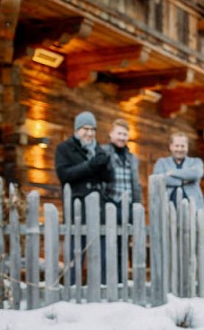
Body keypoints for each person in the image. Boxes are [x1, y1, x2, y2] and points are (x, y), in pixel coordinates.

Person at [54, 111, 114, 283]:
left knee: (100, 254)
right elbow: (64, 174)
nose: (89, 133)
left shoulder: (98, 149)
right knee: (75, 254)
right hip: (77, 209)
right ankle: (72, 289)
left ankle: (102, 289)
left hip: (99, 209)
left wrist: (105, 164)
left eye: (92, 129)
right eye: (85, 129)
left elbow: (109, 177)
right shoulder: (64, 148)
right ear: (76, 130)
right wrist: (91, 165)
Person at [102, 118, 142, 221]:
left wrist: (137, 204)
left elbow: (136, 183)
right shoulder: (103, 152)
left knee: (127, 235)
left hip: (128, 206)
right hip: (109, 204)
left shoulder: (132, 158)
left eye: (125, 135)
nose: (122, 137)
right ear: (111, 134)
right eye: (119, 134)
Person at [153, 132, 204, 209]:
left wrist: (172, 172)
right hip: (168, 209)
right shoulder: (161, 162)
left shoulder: (196, 161)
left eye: (182, 146)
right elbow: (158, 179)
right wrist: (183, 180)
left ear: (187, 147)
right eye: (177, 146)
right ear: (171, 146)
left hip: (193, 209)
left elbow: (196, 173)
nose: (179, 149)